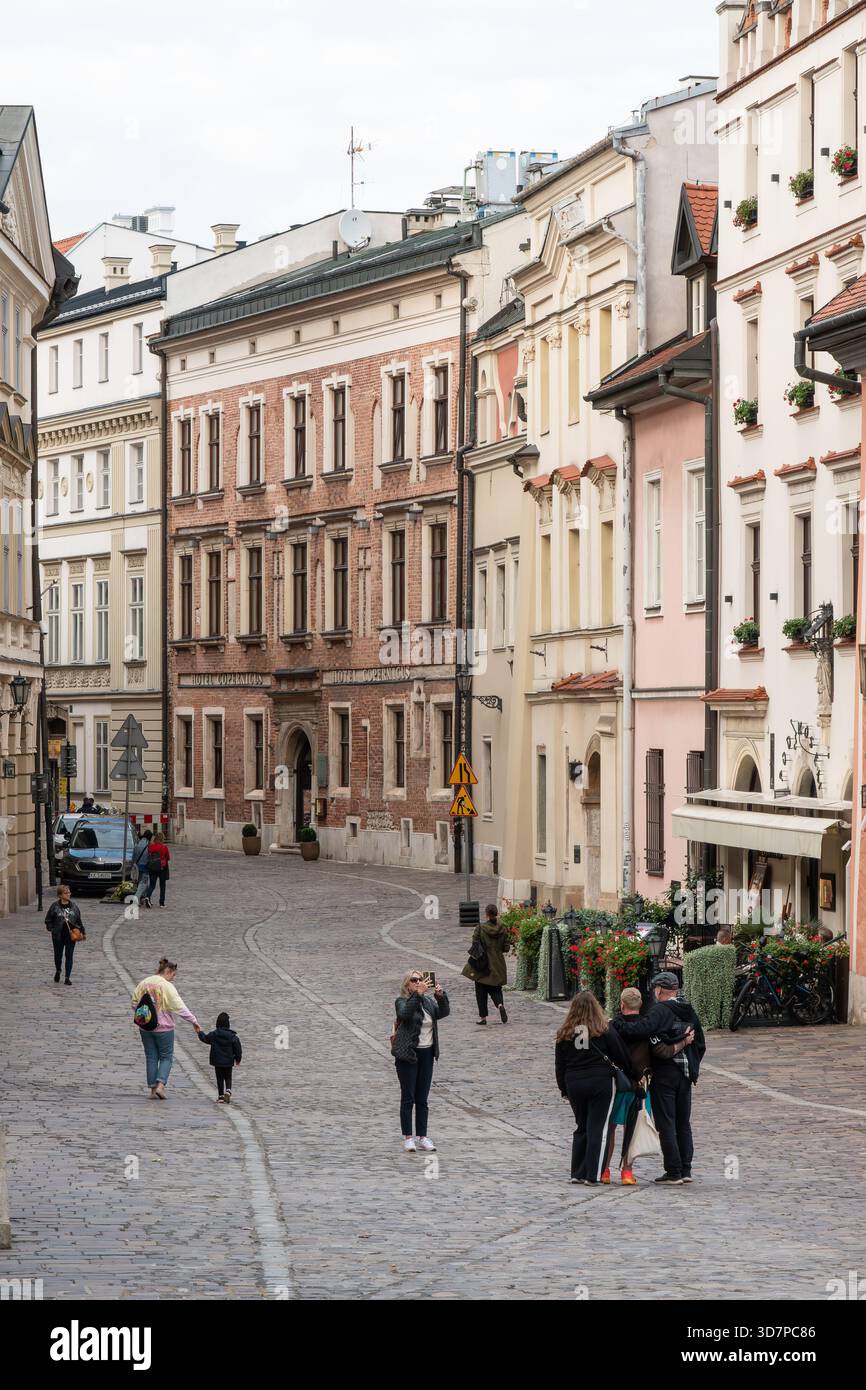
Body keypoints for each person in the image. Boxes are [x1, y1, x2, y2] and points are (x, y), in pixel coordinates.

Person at [613, 971, 706, 1185]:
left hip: (665, 1073)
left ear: (659, 990)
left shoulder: (660, 1010)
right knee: (683, 1122)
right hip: (685, 1075)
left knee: (666, 1123)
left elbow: (640, 1030)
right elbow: (700, 1044)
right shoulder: (688, 1010)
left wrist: (616, 1024)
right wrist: (691, 1064)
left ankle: (673, 1171)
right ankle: (686, 1169)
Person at [555, 990, 636, 1186]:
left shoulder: (565, 1032)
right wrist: (634, 1076)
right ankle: (593, 1173)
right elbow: (621, 1056)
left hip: (574, 1082)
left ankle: (577, 1171)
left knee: (581, 1126)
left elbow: (559, 1064)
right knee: (597, 1128)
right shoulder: (604, 1029)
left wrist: (563, 1089)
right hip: (600, 1082)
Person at [391, 971, 450, 1153]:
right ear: (407, 984)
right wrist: (417, 994)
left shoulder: (427, 1002)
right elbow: (405, 1014)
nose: (418, 982)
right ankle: (408, 1137)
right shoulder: (402, 1001)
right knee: (408, 1097)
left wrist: (441, 997)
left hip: (427, 1053)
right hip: (408, 1054)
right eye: (414, 980)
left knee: (422, 1099)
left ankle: (423, 1137)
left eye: (420, 979)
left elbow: (443, 1012)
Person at [131, 957, 200, 1099]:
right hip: (164, 1028)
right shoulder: (167, 986)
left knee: (151, 1057)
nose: (173, 979)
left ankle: (152, 1090)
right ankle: (161, 1086)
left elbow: (134, 1003)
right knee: (166, 1057)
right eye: (173, 975)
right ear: (168, 971)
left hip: (145, 1027)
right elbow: (179, 1007)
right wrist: (194, 1021)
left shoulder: (144, 982)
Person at [461, 903, 510, 1025]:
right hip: (498, 963)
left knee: (481, 990)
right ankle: (499, 1005)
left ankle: (483, 1017)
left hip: (483, 963)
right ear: (497, 914)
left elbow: (475, 944)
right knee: (496, 988)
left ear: (487, 915)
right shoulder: (503, 928)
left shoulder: (480, 928)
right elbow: (506, 948)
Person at [196, 1011, 242, 1103]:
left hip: (217, 1061)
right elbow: (238, 1048)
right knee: (228, 1077)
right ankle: (228, 1090)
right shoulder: (232, 1036)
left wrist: (199, 1032)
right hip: (228, 1061)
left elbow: (205, 1038)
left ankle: (220, 1096)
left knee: (219, 1078)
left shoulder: (214, 1034)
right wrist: (238, 1059)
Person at [44, 883, 85, 985]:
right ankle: (58, 970)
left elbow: (79, 921)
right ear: (60, 895)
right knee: (58, 956)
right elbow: (48, 919)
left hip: (71, 935)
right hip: (58, 935)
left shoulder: (74, 907)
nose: (68, 894)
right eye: (66, 893)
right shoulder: (54, 906)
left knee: (69, 955)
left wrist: (83, 932)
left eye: (69, 892)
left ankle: (67, 977)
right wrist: (52, 928)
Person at [145, 830, 170, 908]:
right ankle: (161, 903)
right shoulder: (164, 847)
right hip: (162, 868)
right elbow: (168, 858)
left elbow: (148, 856)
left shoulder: (150, 847)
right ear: (162, 839)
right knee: (162, 885)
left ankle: (147, 896)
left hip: (152, 867)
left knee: (152, 885)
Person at [133, 829, 153, 907]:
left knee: (140, 883)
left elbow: (134, 856)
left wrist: (134, 864)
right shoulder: (148, 844)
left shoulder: (137, 843)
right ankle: (137, 898)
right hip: (145, 866)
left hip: (138, 866)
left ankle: (143, 898)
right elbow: (149, 856)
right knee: (143, 883)